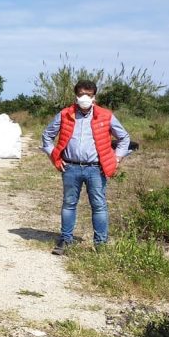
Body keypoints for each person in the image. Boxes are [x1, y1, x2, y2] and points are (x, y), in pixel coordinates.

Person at [42, 80, 130, 255]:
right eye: (81, 94)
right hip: (71, 168)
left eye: (88, 95)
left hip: (96, 169)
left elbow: (124, 138)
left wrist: (117, 158)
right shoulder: (65, 114)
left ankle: (100, 245)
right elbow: (47, 136)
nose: (85, 98)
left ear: (94, 97)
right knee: (69, 204)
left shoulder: (106, 115)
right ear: (76, 96)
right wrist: (54, 157)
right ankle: (66, 240)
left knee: (99, 205)